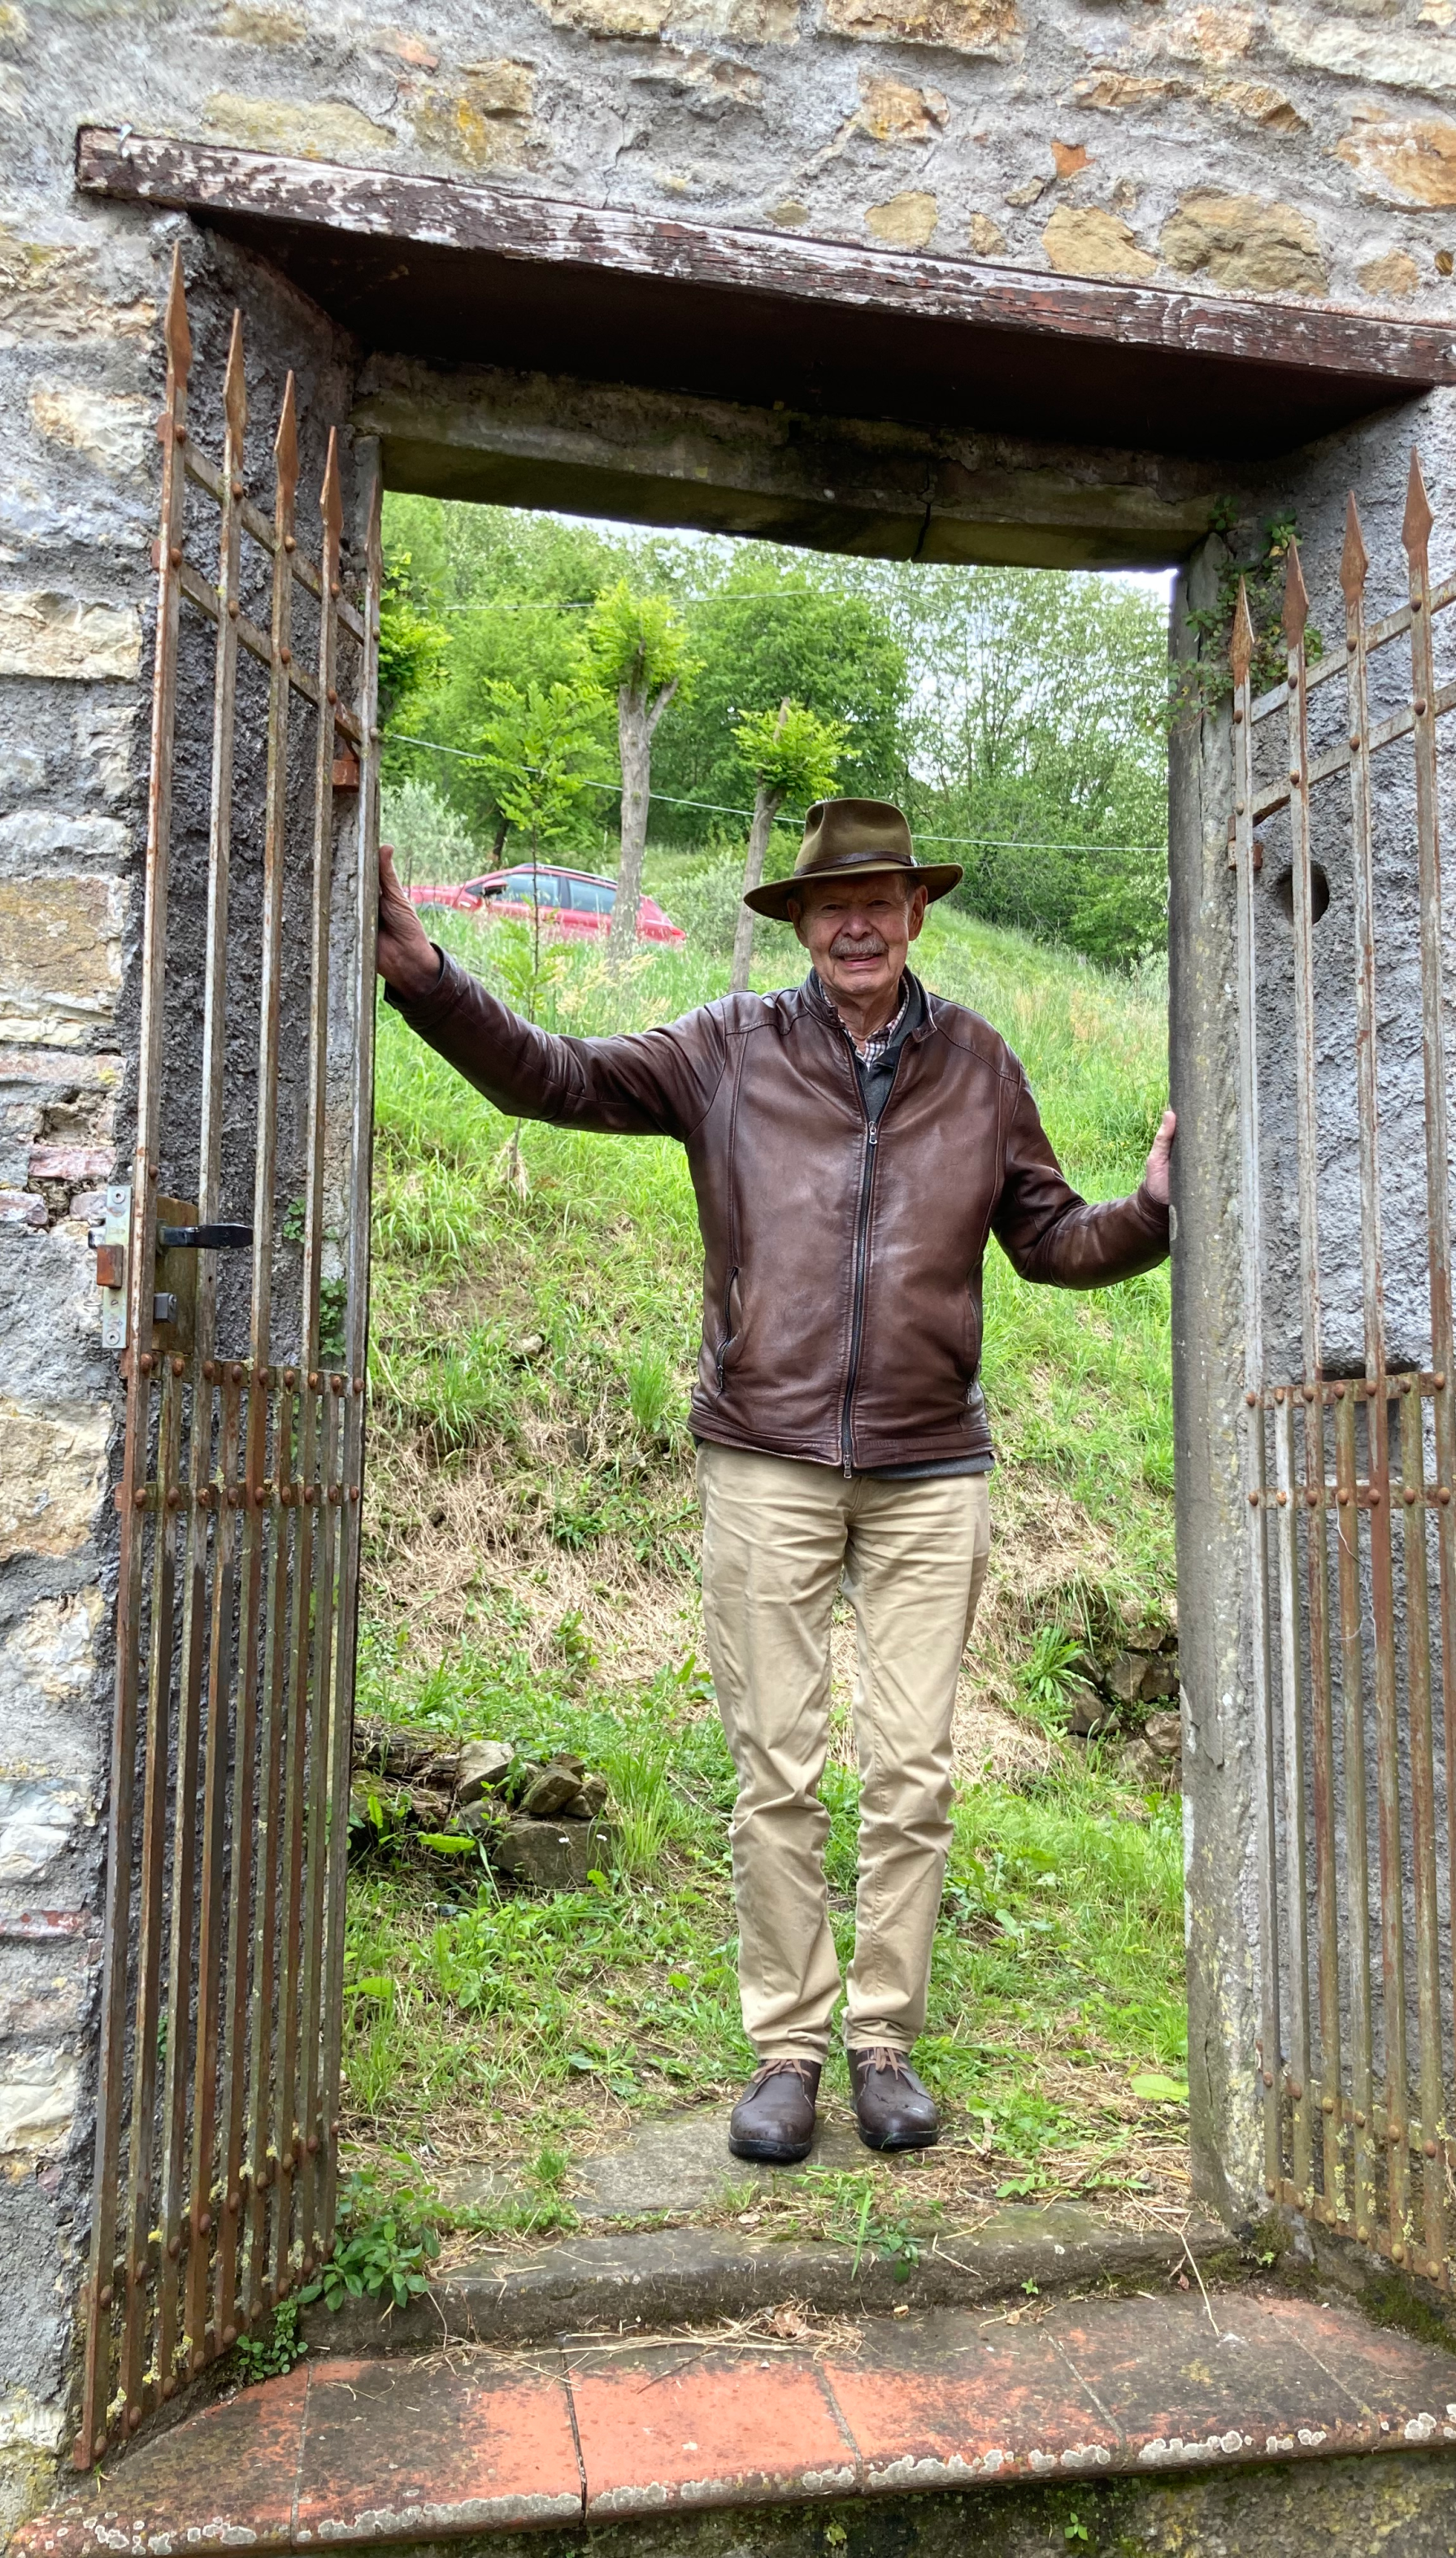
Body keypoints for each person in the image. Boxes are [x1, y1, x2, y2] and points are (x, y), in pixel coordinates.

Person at [375, 797, 1175, 2166]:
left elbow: (1049, 1239)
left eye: (881, 898)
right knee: (778, 1772)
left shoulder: (980, 1064)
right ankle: (789, 2051)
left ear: (917, 912)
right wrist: (428, 978)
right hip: (766, 1455)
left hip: (930, 1467)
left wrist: (1154, 1209)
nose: (858, 923)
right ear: (800, 923)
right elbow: (552, 1076)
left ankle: (885, 2042)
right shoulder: (725, 1050)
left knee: (912, 1772)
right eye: (831, 903)